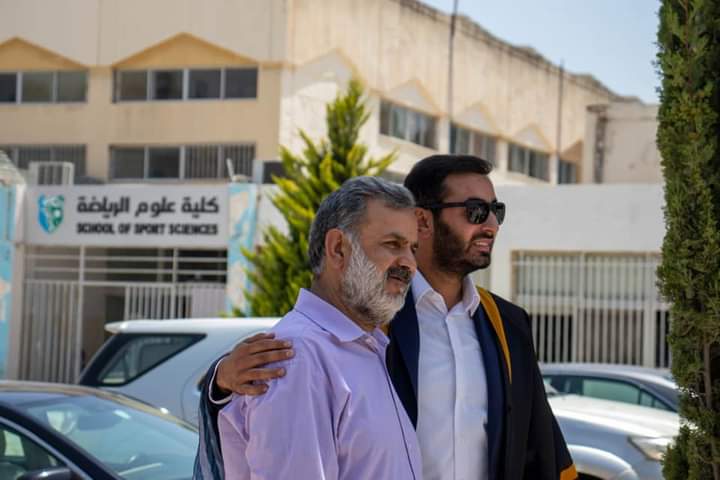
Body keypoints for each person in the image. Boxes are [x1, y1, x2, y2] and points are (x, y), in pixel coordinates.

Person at [196, 155, 577, 480]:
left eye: (497, 212)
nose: (490, 225)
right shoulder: (374, 317)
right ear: (424, 220)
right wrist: (223, 380)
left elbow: (537, 444)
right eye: (476, 211)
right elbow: (291, 363)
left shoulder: (505, 325)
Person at [212, 176, 423, 479]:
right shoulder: (298, 357)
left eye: (413, 249)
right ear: (338, 248)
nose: (410, 264)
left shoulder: (366, 347)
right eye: (393, 245)